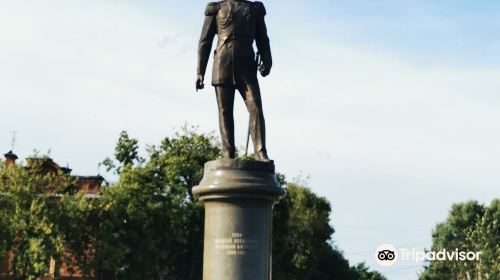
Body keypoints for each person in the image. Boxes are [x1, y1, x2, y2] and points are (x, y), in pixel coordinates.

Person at [196, 0, 272, 161]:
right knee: (225, 111)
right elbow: (205, 41)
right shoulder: (216, 8)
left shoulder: (254, 9)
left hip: (246, 67)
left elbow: (263, 38)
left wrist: (267, 60)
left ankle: (260, 151)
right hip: (222, 65)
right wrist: (200, 71)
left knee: (256, 107)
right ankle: (228, 153)